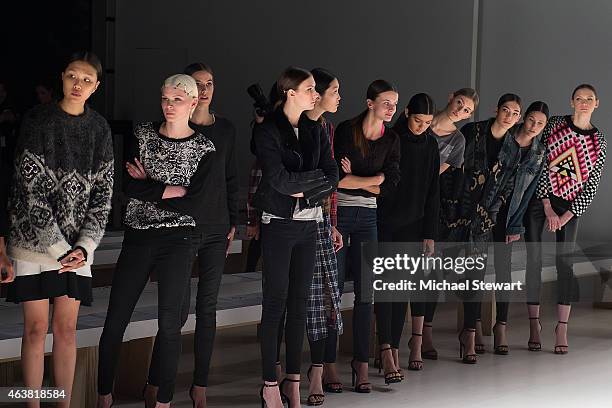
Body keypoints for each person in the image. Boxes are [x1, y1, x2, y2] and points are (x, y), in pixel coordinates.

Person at [97, 74, 215, 408]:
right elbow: (129, 188)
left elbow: (196, 203)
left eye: (177, 99)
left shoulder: (204, 148)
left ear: (193, 103)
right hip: (138, 236)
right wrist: (172, 190)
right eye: (165, 98)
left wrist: (151, 186)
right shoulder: (142, 134)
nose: (169, 105)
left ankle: (162, 401)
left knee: (169, 325)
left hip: (178, 239)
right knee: (116, 318)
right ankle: (103, 396)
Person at [6, 51, 114, 408]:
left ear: (96, 86)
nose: (78, 84)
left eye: (86, 79)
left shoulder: (99, 128)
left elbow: (104, 193)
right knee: (36, 330)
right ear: (62, 77)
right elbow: (30, 192)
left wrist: (84, 247)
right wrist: (59, 250)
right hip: (34, 244)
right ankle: (34, 404)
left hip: (77, 247)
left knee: (66, 331)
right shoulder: (38, 121)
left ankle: (62, 404)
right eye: (72, 76)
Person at [141, 62, 239, 408]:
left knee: (207, 309)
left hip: (216, 228)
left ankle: (200, 386)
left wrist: (235, 220)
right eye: (199, 84)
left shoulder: (225, 130)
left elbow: (231, 177)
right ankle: (156, 383)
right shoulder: (166, 129)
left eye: (210, 83)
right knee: (175, 312)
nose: (206, 89)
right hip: (180, 230)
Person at [253, 66, 338, 408]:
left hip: (310, 225)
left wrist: (306, 188)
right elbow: (278, 181)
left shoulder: (315, 128)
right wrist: (312, 183)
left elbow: (333, 176)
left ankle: (293, 382)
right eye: (309, 89)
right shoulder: (267, 130)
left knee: (300, 304)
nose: (315, 94)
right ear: (290, 92)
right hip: (278, 225)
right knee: (275, 303)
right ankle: (269, 384)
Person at [526, 84, 606, 354]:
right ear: (572, 101)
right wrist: (547, 206)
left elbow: (591, 185)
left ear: (597, 103)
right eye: (579, 98)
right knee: (534, 260)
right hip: (542, 199)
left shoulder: (599, 141)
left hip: (571, 206)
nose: (584, 102)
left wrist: (566, 215)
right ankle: (533, 324)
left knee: (565, 264)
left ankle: (562, 326)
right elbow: (540, 161)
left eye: (589, 99)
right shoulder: (556, 124)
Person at [333, 79, 401, 391]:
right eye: (386, 102)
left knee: (366, 294)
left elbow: (390, 187)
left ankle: (361, 364)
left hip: (369, 217)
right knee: (331, 292)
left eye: (395, 104)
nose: (392, 109)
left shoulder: (393, 139)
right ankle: (327, 365)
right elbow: (336, 180)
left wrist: (357, 177)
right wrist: (373, 178)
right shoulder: (347, 130)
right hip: (341, 214)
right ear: (370, 102)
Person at [452, 93, 524, 363]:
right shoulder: (474, 131)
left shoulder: (513, 147)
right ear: (497, 110)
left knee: (477, 274)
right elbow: (456, 168)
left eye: (515, 113)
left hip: (486, 217)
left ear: (518, 118)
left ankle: (471, 332)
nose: (509, 116)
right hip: (459, 210)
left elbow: (506, 187)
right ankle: (459, 332)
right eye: (505, 110)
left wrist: (490, 214)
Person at [376, 93, 439, 377]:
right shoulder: (391, 138)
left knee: (400, 290)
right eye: (417, 120)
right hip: (386, 222)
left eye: (426, 122)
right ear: (405, 113)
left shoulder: (431, 144)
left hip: (415, 225)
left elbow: (433, 191)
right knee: (384, 289)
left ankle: (393, 349)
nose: (421, 126)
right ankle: (384, 348)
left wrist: (430, 233)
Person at [484, 101, 549, 355]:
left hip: (509, 217)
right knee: (477, 268)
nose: (534, 126)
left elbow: (529, 193)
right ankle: (474, 326)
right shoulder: (505, 137)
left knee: (503, 272)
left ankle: (501, 325)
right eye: (532, 120)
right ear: (523, 118)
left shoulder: (539, 152)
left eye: (541, 123)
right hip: (485, 210)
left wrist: (515, 225)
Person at [420, 88, 478, 360]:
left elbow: (432, 176)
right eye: (459, 104)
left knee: (432, 272)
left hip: (435, 206)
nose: (460, 111)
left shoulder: (457, 141)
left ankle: (424, 335)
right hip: (397, 197)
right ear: (451, 97)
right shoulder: (421, 120)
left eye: (467, 110)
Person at [303, 67, 344, 405]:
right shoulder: (294, 123)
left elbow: (332, 183)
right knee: (302, 301)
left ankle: (318, 370)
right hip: (292, 221)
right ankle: (284, 376)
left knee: (329, 299)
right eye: (335, 91)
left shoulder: (327, 128)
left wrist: (332, 223)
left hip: (321, 221)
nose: (339, 97)